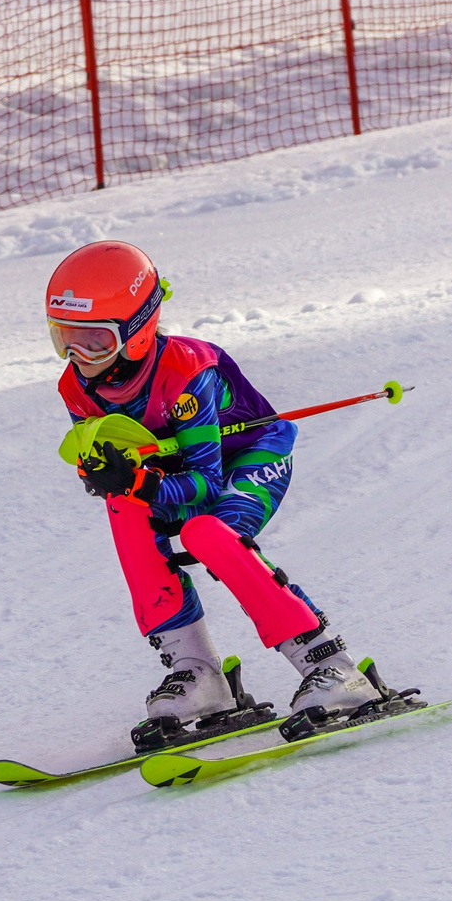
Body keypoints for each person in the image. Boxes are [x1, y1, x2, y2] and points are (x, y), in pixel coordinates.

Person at [45, 239, 385, 748]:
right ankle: (198, 673)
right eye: (63, 339)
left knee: (210, 531)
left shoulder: (187, 373)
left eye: (95, 342)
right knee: (124, 511)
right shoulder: (76, 386)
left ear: (137, 333)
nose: (78, 356)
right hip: (171, 472)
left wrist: (138, 481)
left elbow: (204, 485)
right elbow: (101, 460)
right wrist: (105, 474)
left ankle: (333, 668)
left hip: (249, 458)